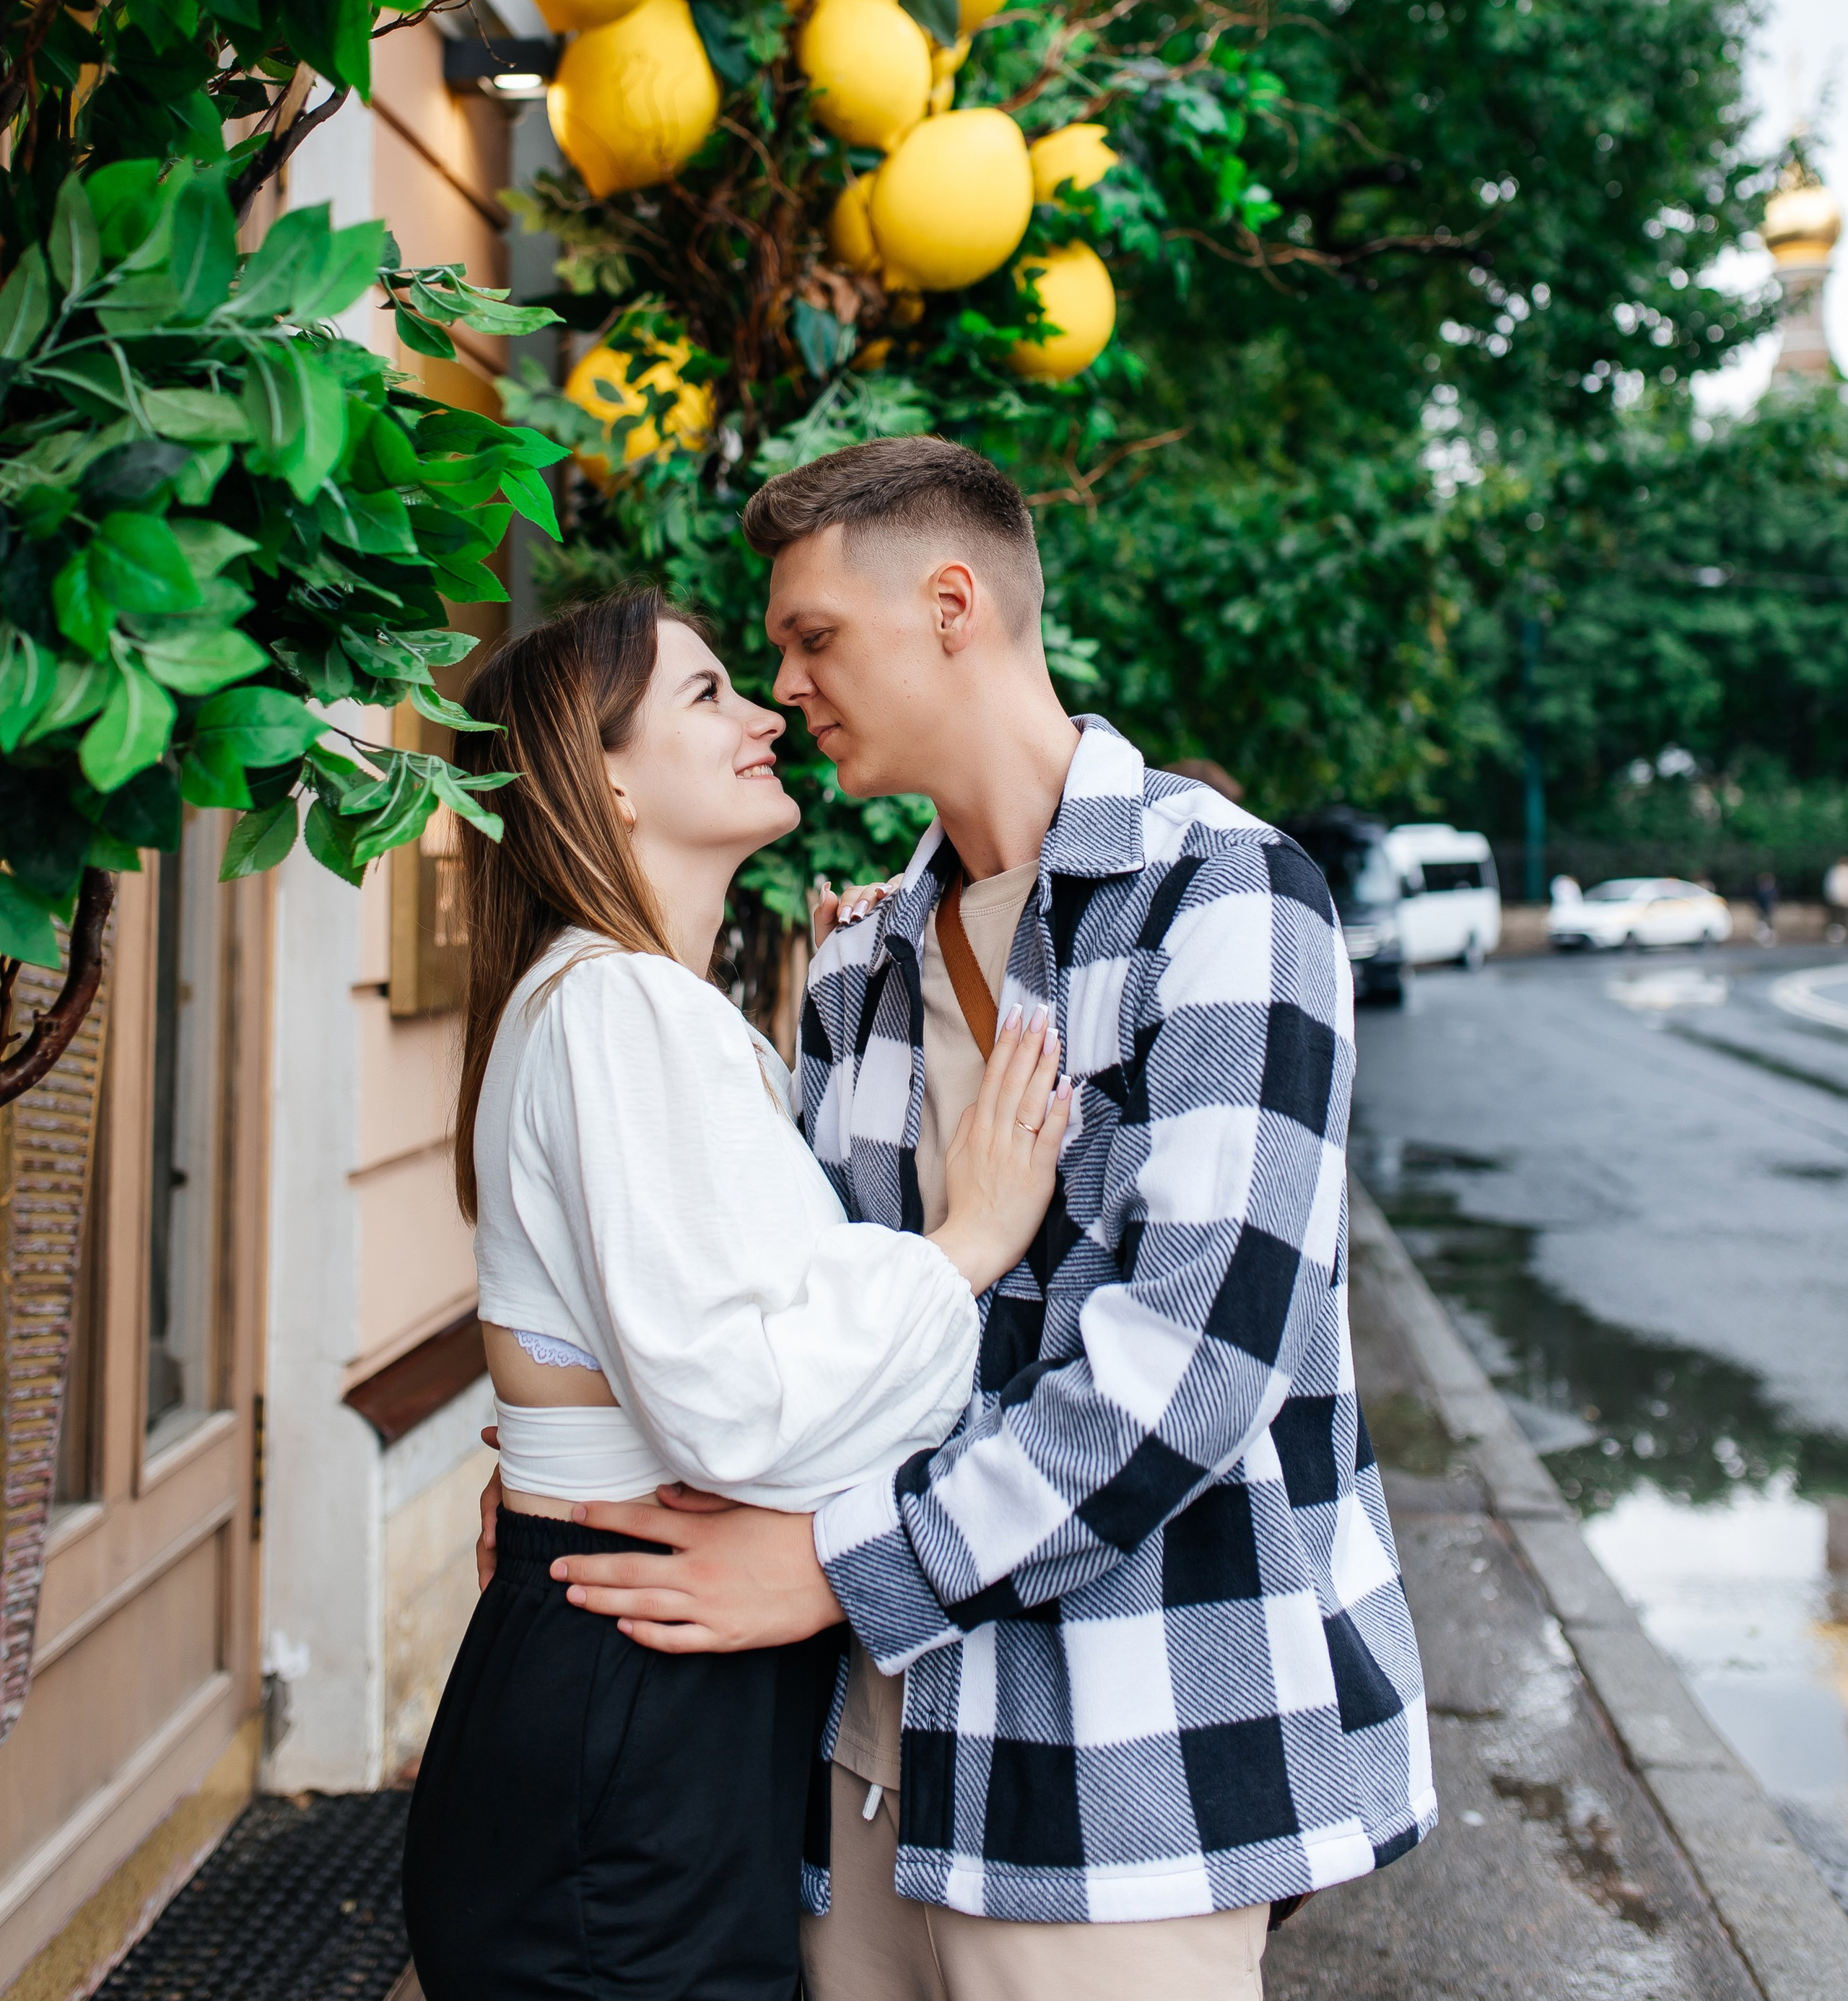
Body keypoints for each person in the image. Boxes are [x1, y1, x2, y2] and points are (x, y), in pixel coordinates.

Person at [548, 437, 1434, 2001]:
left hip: (1127, 1767)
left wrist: (828, 1567)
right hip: (868, 1776)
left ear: (951, 604)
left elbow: (1181, 1381)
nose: (783, 688)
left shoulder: (1225, 900)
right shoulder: (852, 964)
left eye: (813, 638)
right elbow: (820, 1334)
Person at [401, 588, 1070, 2001]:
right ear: (606, 776)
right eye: (709, 695)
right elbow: (733, 1415)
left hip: (640, 1671)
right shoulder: (616, 1010)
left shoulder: (631, 1007)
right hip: (636, 1688)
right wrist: (969, 1243)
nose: (768, 710)